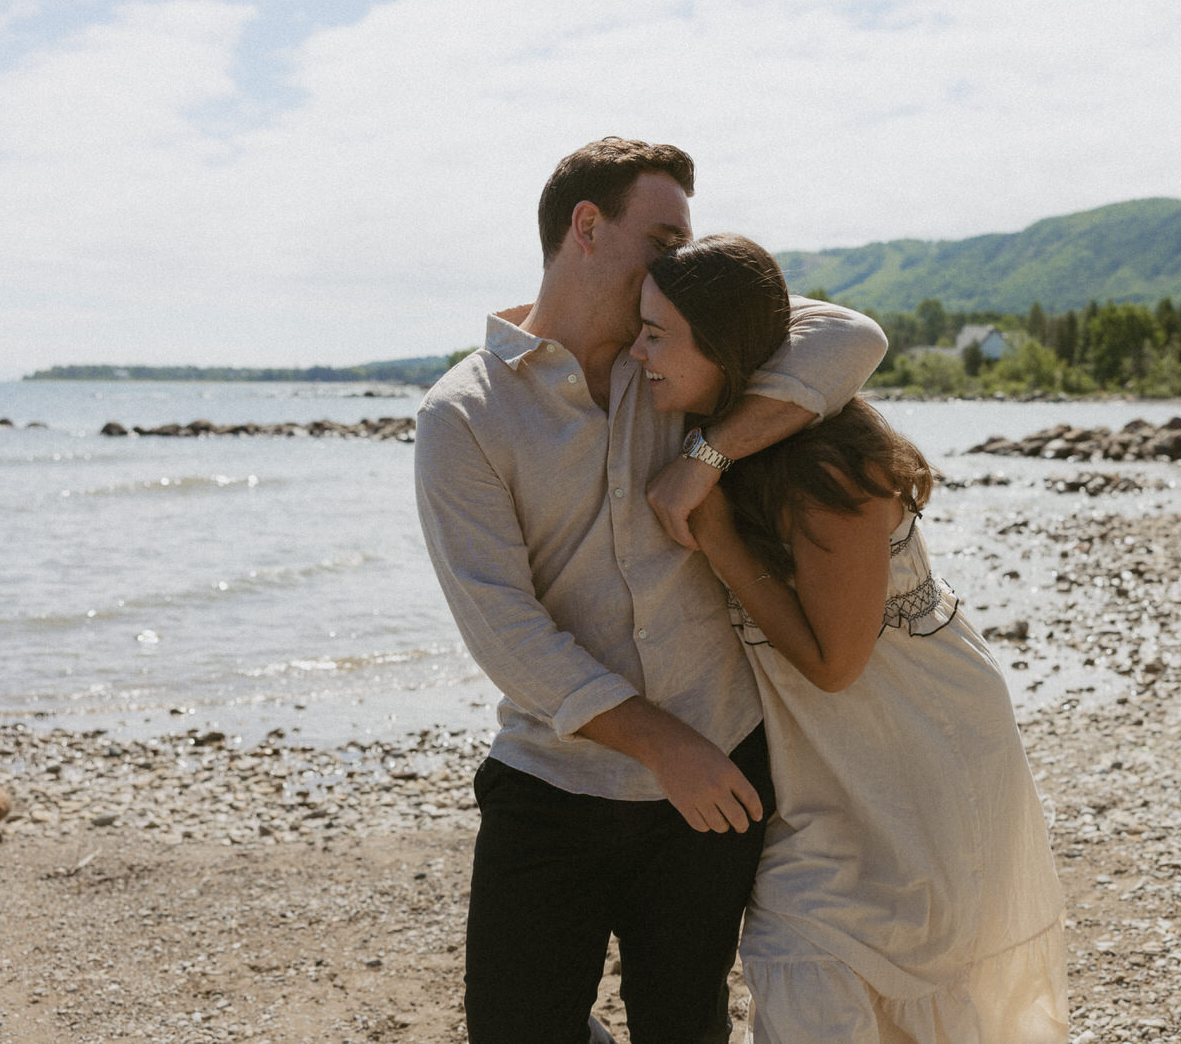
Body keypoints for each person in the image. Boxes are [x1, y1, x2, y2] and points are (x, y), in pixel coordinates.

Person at [414, 139, 886, 1043]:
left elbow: (851, 337)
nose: (682, 264)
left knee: (688, 1028)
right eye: (664, 239)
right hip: (555, 781)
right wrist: (666, 746)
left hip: (719, 776)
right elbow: (504, 629)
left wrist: (708, 456)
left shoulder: (678, 356)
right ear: (586, 227)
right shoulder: (462, 415)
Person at [629, 233, 1069, 1043]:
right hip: (819, 775)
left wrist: (715, 519)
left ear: (724, 350)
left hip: (919, 757)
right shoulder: (726, 422)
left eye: (656, 333)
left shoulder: (826, 468)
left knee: (927, 1001)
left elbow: (835, 665)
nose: (637, 349)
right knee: (803, 969)